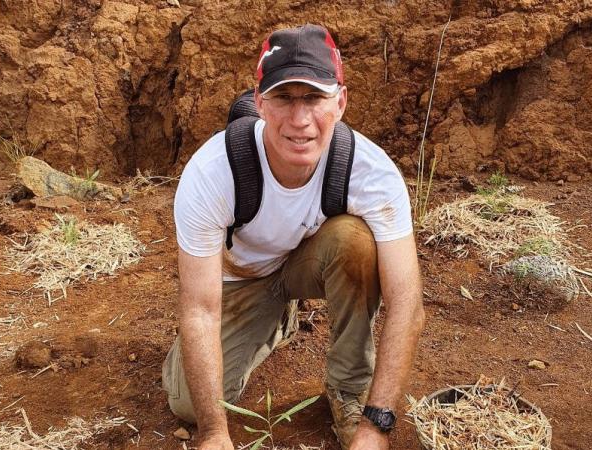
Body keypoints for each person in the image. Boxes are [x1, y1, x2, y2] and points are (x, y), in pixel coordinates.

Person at [162, 24, 424, 450]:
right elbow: (199, 310)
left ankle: (348, 390)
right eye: (284, 97)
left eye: (315, 98)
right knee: (189, 405)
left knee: (357, 241)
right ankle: (275, 320)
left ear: (340, 102)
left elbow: (406, 305)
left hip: (302, 263)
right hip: (239, 281)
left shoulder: (371, 172)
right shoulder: (213, 172)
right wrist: (213, 434)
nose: (300, 120)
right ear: (260, 102)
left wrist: (377, 426)